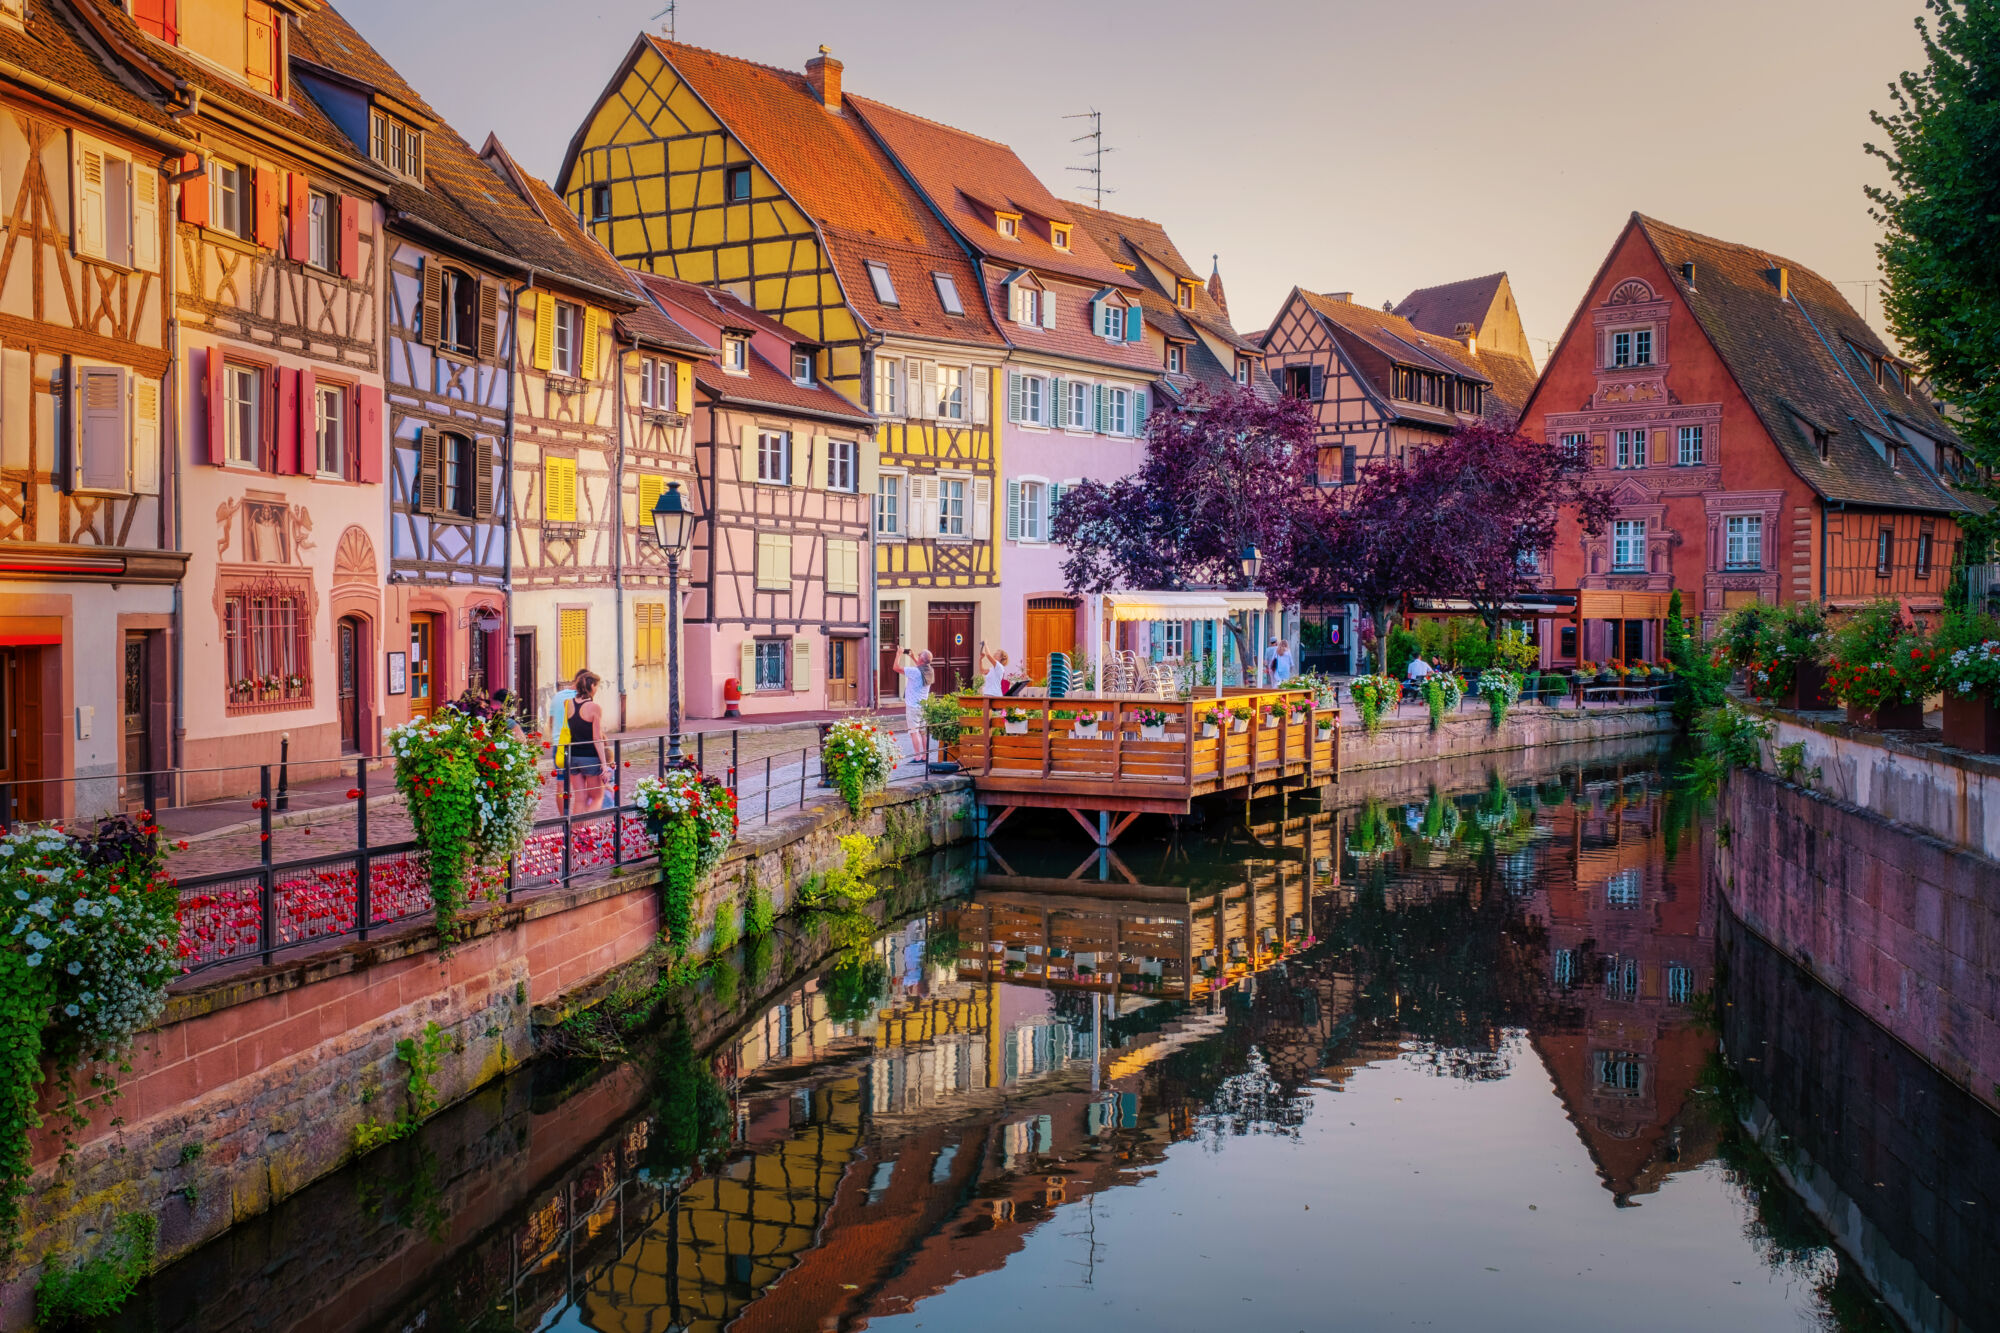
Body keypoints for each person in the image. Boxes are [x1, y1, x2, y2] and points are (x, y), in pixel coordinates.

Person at [563, 670, 606, 811]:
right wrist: (604, 765)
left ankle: (575, 832)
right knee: (596, 797)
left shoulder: (568, 704)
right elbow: (597, 738)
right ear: (592, 686)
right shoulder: (594, 708)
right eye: (597, 686)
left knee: (580, 799)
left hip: (573, 756)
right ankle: (588, 831)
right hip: (590, 757)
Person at [900, 647, 933, 766]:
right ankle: (925, 756)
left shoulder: (915, 672)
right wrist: (913, 657)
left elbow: (895, 668)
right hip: (924, 706)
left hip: (913, 706)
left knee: (914, 732)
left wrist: (899, 654)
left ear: (921, 660)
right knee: (923, 732)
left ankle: (917, 757)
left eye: (919, 656)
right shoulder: (929, 670)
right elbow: (920, 667)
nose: (917, 657)